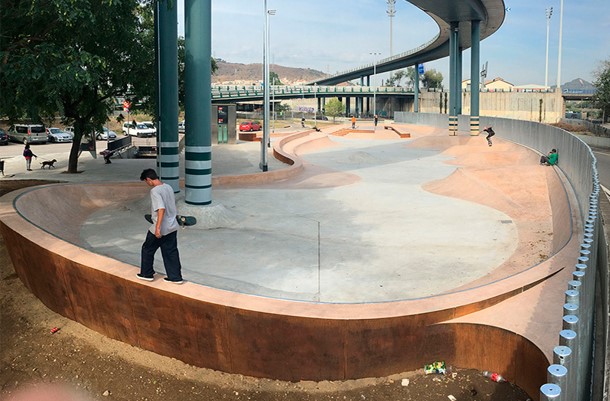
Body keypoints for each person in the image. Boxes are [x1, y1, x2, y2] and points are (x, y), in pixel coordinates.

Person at [138, 168, 183, 284]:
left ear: (149, 179)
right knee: (171, 252)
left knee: (147, 249)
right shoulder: (168, 187)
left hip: (161, 228)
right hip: (172, 226)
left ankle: (146, 274)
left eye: (146, 182)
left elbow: (161, 209)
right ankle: (175, 277)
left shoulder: (155, 191)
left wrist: (157, 228)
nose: (147, 184)